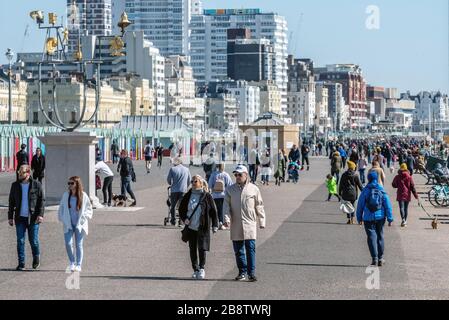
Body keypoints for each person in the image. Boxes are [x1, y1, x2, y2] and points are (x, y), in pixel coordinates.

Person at [223, 165, 266, 282]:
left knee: (250, 248)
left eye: (239, 174)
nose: (237, 177)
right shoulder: (230, 189)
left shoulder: (254, 189)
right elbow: (226, 207)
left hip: (250, 223)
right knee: (238, 250)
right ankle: (242, 272)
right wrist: (226, 219)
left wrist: (262, 220)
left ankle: (251, 273)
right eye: (235, 174)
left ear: (246, 175)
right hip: (236, 223)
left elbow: (259, 205)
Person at [179, 175, 218, 280]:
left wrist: (215, 225)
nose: (193, 183)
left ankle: (201, 268)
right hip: (191, 227)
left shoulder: (206, 196)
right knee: (192, 249)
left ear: (201, 183)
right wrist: (184, 218)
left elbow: (213, 211)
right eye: (192, 181)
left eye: (195, 181)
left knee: (202, 248)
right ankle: (195, 269)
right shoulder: (188, 195)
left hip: (202, 226)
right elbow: (181, 208)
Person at [8, 165, 44, 271]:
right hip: (20, 218)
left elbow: (42, 200)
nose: (19, 175)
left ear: (28, 173)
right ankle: (21, 263)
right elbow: (11, 202)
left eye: (22, 173)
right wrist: (10, 217)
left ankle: (36, 258)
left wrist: (40, 215)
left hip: (33, 218)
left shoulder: (36, 185)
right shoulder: (15, 185)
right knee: (20, 240)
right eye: (19, 173)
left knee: (34, 241)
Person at [356, 171, 394, 267]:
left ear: (368, 179)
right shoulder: (381, 189)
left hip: (368, 218)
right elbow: (387, 205)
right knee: (380, 236)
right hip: (380, 217)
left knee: (371, 237)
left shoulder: (365, 190)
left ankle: (374, 259)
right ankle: (381, 258)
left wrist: (359, 218)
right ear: (377, 179)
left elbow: (360, 205)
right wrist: (390, 218)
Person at [58, 176, 93, 272]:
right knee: (68, 244)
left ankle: (78, 264)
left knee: (79, 244)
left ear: (77, 184)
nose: (69, 185)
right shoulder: (66, 195)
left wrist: (84, 218)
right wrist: (62, 218)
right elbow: (61, 207)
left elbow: (89, 209)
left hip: (79, 224)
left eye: (71, 183)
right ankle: (72, 262)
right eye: (68, 183)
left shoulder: (83, 195)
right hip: (68, 224)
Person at [392, 163, 420, 228]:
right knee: (406, 208)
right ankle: (405, 221)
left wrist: (398, 185)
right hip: (407, 194)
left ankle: (403, 219)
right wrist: (416, 196)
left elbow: (393, 185)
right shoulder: (409, 177)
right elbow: (412, 187)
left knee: (401, 207)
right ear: (406, 169)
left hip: (400, 193)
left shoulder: (397, 176)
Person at [167, 157, 192, 226]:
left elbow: (168, 180)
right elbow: (189, 180)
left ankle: (173, 220)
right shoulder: (186, 169)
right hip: (183, 190)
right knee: (182, 206)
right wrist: (186, 186)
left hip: (174, 190)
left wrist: (171, 184)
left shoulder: (172, 169)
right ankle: (181, 221)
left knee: (173, 206)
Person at [209, 164, 233, 229]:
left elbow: (210, 185)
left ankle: (216, 223)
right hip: (223, 195)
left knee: (216, 209)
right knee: (222, 210)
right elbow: (230, 185)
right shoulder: (226, 175)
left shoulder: (213, 174)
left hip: (215, 195)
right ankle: (221, 223)